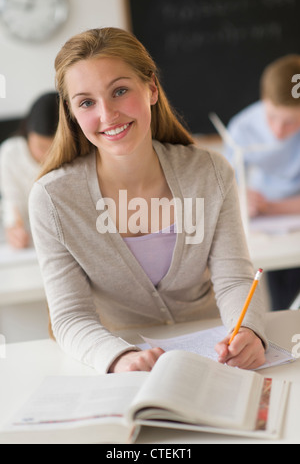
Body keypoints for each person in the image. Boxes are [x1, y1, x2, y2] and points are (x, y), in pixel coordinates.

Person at [29, 27, 266, 374]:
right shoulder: (52, 199)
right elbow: (70, 316)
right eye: (86, 102)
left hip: (216, 359)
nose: (107, 115)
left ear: (151, 88)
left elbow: (234, 279)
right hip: (123, 367)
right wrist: (120, 358)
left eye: (120, 91)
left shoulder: (210, 172)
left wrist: (246, 332)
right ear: (73, 113)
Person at [225, 55, 300, 311]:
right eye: (272, 117)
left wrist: (270, 207)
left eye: (291, 122)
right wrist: (242, 198)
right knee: (284, 297)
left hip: (277, 211)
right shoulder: (242, 128)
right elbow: (227, 190)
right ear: (263, 101)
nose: (279, 131)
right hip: (269, 220)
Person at [0, 92, 59, 249]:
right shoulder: (11, 152)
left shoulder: (73, 155)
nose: (47, 156)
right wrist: (14, 227)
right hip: (33, 244)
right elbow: (12, 200)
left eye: (54, 148)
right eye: (40, 147)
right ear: (28, 132)